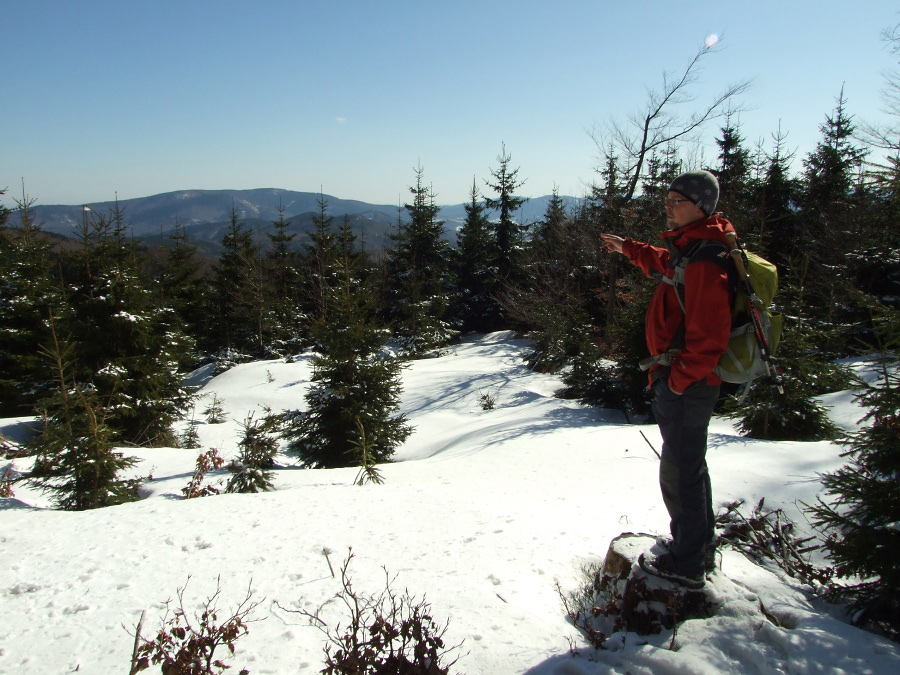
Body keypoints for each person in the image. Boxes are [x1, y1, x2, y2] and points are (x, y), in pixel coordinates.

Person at [600, 170, 734, 590]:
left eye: (677, 200)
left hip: (687, 385)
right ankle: (696, 547)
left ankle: (688, 563)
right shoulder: (692, 249)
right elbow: (666, 263)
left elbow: (710, 336)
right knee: (688, 466)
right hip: (682, 380)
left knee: (680, 472)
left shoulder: (707, 259)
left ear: (701, 206)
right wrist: (630, 249)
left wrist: (677, 381)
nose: (668, 206)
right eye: (668, 199)